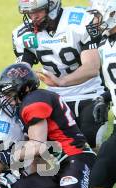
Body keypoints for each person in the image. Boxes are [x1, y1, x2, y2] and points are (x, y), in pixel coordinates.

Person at [0, 63, 97, 188]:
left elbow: (38, 146)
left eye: (9, 92)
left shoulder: (34, 101)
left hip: (77, 157)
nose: (7, 98)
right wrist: (19, 172)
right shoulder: (35, 99)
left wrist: (11, 156)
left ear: (24, 88)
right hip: (61, 164)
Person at [12, 0, 105, 150]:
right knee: (55, 148)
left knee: (92, 142)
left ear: (52, 5)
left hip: (91, 92)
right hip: (56, 98)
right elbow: (21, 71)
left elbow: (92, 67)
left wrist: (62, 81)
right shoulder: (22, 34)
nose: (32, 17)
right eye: (29, 12)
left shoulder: (81, 21)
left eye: (38, 11)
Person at [76, 0, 116, 188]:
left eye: (98, 16)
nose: (94, 22)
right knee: (99, 181)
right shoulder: (105, 46)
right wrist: (105, 97)